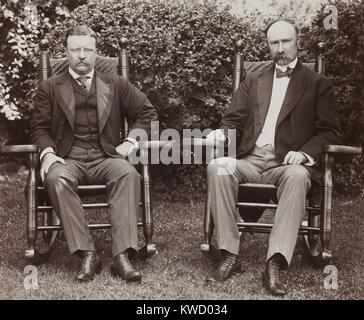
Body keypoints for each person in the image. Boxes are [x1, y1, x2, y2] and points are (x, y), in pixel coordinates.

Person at [205, 18, 342, 295]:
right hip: (251, 160)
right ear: (268, 45)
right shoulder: (254, 79)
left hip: (286, 164)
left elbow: (330, 132)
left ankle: (275, 262)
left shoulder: (318, 83)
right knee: (218, 166)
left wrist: (304, 154)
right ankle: (229, 254)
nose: (280, 48)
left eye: (286, 41)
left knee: (297, 175)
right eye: (274, 42)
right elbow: (232, 119)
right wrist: (222, 133)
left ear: (298, 42)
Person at [31, 25, 157, 283]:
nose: (81, 55)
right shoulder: (50, 87)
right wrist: (47, 153)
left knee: (128, 174)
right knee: (56, 178)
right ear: (66, 52)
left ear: (96, 53)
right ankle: (88, 253)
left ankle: (122, 255)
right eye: (75, 49)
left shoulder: (116, 83)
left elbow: (147, 113)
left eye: (87, 49)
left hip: (106, 156)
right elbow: (39, 128)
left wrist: (131, 142)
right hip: (68, 157)